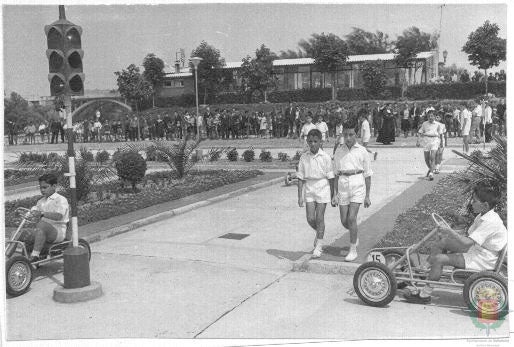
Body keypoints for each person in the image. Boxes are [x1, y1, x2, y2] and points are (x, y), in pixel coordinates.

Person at [404, 181, 507, 304]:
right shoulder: (482, 216)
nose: (471, 203)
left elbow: (466, 243)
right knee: (443, 242)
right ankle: (425, 269)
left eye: (474, 200)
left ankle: (425, 294)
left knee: (439, 259)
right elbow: (468, 237)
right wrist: (448, 234)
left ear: (485, 205)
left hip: (482, 259)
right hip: (478, 250)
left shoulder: (490, 222)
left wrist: (449, 231)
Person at [332, 121, 373, 262]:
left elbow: (368, 174)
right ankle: (354, 235)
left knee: (351, 218)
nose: (348, 138)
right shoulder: (339, 150)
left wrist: (367, 196)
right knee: (344, 221)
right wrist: (334, 194)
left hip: (357, 183)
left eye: (351, 134)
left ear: (356, 134)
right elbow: (335, 174)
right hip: (343, 184)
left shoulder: (362, 150)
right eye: (345, 135)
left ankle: (353, 250)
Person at [297, 129, 335, 258]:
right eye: (310, 142)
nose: (312, 144)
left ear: (320, 142)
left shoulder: (325, 157)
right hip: (309, 188)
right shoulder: (304, 157)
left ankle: (319, 245)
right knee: (310, 218)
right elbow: (300, 177)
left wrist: (333, 194)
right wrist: (299, 196)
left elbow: (331, 177)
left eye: (315, 141)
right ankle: (320, 232)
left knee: (319, 218)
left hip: (323, 187)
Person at [27, 173, 70, 263]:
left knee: (41, 225)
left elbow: (59, 216)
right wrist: (28, 214)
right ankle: (8, 256)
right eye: (40, 188)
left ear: (54, 186)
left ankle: (35, 256)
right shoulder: (41, 201)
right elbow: (34, 210)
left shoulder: (61, 199)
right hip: (42, 230)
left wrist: (41, 213)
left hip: (57, 232)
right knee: (22, 233)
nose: (42, 190)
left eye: (45, 187)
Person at [417, 110, 442, 181]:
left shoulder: (438, 124)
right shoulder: (424, 124)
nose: (430, 117)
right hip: (426, 142)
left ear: (434, 116)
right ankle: (431, 168)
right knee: (426, 159)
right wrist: (418, 141)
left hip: (434, 141)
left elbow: (439, 135)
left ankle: (431, 173)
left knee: (432, 157)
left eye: (432, 116)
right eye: (429, 116)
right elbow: (420, 132)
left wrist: (441, 144)